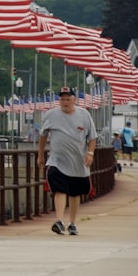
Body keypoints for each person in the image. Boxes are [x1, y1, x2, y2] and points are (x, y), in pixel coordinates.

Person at [37, 86, 97, 236]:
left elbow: (92, 137)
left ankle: (72, 223)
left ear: (74, 100)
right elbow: (43, 136)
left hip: (78, 161)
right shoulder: (51, 115)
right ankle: (59, 220)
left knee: (75, 193)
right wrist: (40, 155)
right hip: (57, 159)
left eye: (68, 99)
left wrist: (90, 153)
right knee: (59, 188)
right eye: (62, 99)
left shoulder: (84, 115)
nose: (65, 102)